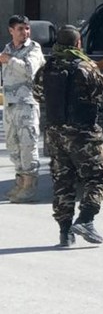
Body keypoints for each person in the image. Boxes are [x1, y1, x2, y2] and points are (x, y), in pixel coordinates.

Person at [33, 25, 103, 247]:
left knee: (63, 181)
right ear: (78, 44)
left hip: (55, 133)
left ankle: (64, 233)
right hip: (83, 134)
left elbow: (37, 94)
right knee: (97, 176)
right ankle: (86, 219)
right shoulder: (86, 67)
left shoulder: (47, 68)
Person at [0, 15, 45, 203]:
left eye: (27, 28)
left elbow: (29, 69)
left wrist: (8, 60)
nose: (25, 32)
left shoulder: (34, 49)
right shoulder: (8, 48)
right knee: (13, 145)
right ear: (11, 31)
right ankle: (19, 183)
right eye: (20, 29)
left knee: (28, 145)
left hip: (27, 104)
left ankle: (29, 186)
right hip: (10, 105)